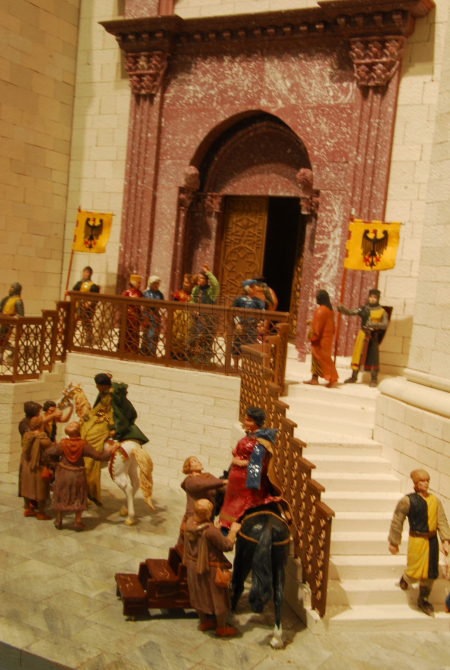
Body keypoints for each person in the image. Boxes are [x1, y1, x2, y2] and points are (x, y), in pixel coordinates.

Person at [80, 372, 148, 505]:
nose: (96, 387)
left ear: (104, 385)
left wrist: (112, 426)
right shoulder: (103, 393)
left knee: (91, 434)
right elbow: (98, 407)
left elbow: (115, 412)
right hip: (100, 416)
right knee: (83, 425)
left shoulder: (113, 395)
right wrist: (89, 415)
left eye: (98, 385)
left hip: (109, 420)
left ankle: (90, 458)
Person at [388, 469, 450, 616]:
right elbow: (397, 521)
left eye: (427, 480)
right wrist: (394, 542)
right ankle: (406, 578)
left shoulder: (435, 501)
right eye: (422, 481)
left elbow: (442, 521)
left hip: (432, 542)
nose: (425, 483)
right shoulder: (408, 500)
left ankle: (423, 599)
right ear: (416, 484)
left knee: (430, 572)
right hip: (417, 541)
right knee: (414, 570)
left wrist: (445, 540)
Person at [219, 406, 285, 530]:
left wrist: (239, 462)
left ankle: (234, 521)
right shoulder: (249, 436)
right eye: (246, 419)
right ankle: (226, 521)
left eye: (249, 420)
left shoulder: (259, 442)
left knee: (239, 499)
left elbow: (256, 464)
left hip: (246, 479)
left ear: (257, 422)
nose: (245, 422)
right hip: (237, 475)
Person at [184, 499, 241, 637]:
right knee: (219, 597)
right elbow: (227, 546)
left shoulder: (189, 523)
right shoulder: (210, 531)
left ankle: (204, 622)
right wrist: (233, 532)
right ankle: (221, 627)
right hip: (210, 568)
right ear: (208, 514)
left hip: (192, 565)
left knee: (198, 593)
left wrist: (216, 529)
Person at [46, 422, 116, 531]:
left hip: (63, 473)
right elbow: (99, 456)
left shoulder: (62, 444)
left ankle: (59, 519)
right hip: (77, 474)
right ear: (79, 431)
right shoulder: (83, 445)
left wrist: (56, 464)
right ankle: (78, 521)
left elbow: (47, 453)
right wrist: (109, 451)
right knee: (79, 495)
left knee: (61, 494)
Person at [338, 288, 389, 387]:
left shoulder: (382, 311)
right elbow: (350, 312)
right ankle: (354, 376)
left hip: (373, 336)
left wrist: (373, 324)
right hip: (362, 334)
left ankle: (374, 379)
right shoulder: (363, 309)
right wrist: (342, 309)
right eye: (371, 297)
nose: (372, 299)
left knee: (373, 357)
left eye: (375, 297)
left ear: (378, 298)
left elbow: (385, 324)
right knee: (358, 354)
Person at [179, 456, 227, 544]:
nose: (198, 462)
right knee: (193, 543)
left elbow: (222, 487)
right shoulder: (189, 481)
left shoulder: (208, 476)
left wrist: (233, 488)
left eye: (198, 460)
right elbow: (202, 485)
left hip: (209, 516)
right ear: (189, 468)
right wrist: (223, 481)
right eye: (194, 461)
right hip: (194, 517)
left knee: (206, 543)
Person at [304, 290, 339, 388]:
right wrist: (312, 322)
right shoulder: (330, 311)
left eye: (317, 297)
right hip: (327, 339)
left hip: (320, 340)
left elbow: (317, 328)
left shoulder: (320, 311)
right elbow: (328, 325)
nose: (316, 299)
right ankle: (315, 378)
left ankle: (329, 378)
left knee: (321, 359)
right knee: (320, 359)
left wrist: (312, 336)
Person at [20, 416, 52, 520]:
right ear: (40, 425)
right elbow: (51, 450)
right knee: (41, 489)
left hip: (26, 464)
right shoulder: (43, 438)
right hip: (38, 466)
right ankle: (41, 513)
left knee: (26, 486)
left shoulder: (26, 435)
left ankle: (27, 508)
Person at [189, 264, 220, 364]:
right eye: (199, 278)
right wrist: (193, 308)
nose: (200, 280)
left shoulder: (210, 291)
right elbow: (192, 301)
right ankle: (194, 358)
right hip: (196, 318)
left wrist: (209, 273)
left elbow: (216, 285)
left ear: (206, 280)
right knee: (194, 337)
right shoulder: (196, 289)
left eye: (202, 278)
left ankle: (205, 359)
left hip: (208, 320)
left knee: (206, 339)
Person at [231, 281, 265, 367]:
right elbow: (234, 312)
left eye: (254, 286)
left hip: (252, 326)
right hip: (241, 326)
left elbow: (263, 314)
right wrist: (237, 323)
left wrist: (260, 324)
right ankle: (235, 364)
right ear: (247, 288)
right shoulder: (239, 299)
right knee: (237, 344)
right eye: (252, 286)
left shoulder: (258, 301)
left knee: (250, 346)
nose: (255, 288)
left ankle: (247, 365)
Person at [72, 266, 100, 346]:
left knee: (86, 323)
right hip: (77, 306)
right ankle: (70, 339)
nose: (85, 274)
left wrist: (90, 302)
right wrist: (68, 292)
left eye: (87, 272)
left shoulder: (93, 286)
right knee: (72, 322)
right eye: (84, 272)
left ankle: (88, 339)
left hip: (86, 308)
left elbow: (95, 298)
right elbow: (74, 292)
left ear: (90, 274)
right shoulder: (79, 283)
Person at [0, 283, 24, 360]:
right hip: (1, 321)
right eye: (10, 287)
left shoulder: (18, 301)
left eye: (12, 287)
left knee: (2, 341)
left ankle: (13, 351)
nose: (10, 289)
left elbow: (20, 315)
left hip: (7, 324)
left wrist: (10, 317)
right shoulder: (6, 299)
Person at [142, 275, 164, 357]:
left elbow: (162, 302)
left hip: (156, 316)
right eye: (155, 283)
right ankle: (147, 352)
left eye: (157, 283)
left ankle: (152, 351)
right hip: (149, 316)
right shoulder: (147, 293)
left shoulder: (159, 294)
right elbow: (150, 303)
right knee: (149, 335)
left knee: (155, 335)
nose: (156, 285)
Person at [122, 274, 143, 354]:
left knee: (135, 334)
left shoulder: (140, 293)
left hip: (136, 316)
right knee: (127, 333)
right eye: (138, 283)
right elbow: (122, 302)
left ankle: (134, 349)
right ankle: (125, 349)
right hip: (128, 316)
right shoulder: (127, 292)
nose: (140, 285)